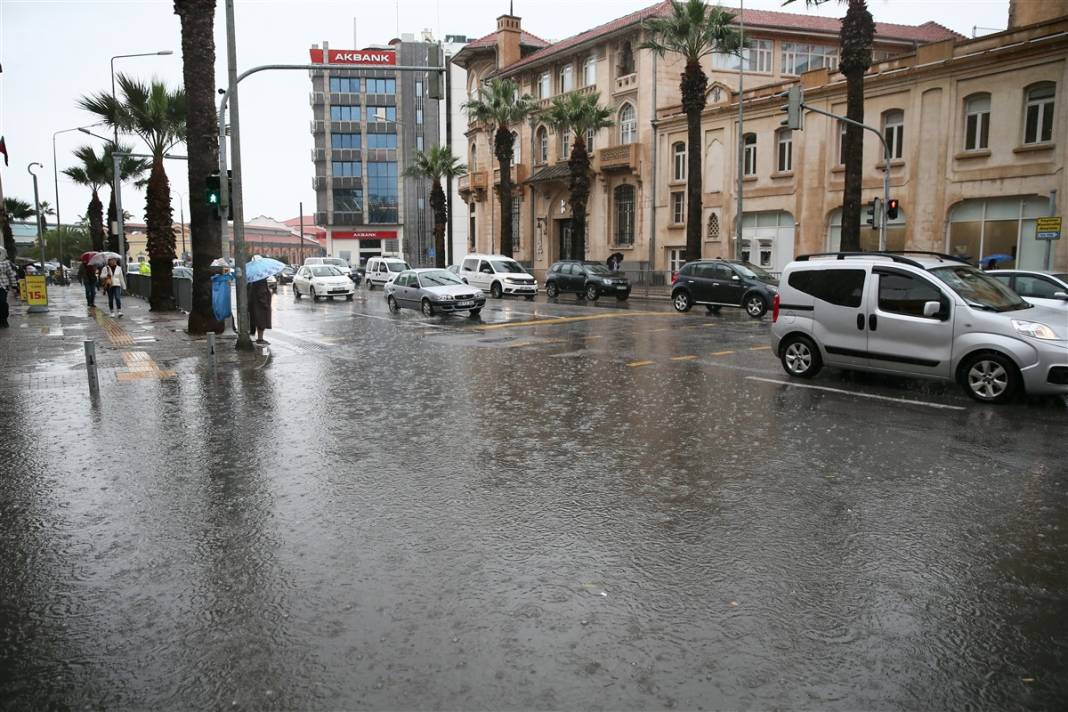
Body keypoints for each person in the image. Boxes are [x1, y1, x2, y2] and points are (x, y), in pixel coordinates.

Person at [247, 277, 272, 344]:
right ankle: (260, 339)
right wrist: (265, 304)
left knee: (257, 321)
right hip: (260, 306)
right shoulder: (261, 281)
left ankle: (258, 338)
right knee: (261, 322)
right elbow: (261, 294)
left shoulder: (254, 280)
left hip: (254, 305)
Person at [0, 248, 17, 328]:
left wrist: (14, 286)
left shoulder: (5, 263)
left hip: (2, 286)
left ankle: (4, 319)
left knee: (2, 303)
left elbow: (10, 274)